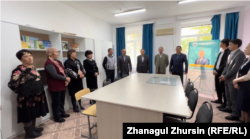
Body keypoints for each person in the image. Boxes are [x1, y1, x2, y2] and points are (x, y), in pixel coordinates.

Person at [8, 50, 49, 138]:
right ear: (20, 59)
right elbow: (12, 84)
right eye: (26, 56)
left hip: (36, 95)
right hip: (26, 98)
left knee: (33, 113)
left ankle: (33, 129)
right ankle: (29, 134)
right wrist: (23, 92)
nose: (30, 57)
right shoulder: (19, 69)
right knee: (27, 115)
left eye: (30, 55)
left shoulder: (32, 67)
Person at [219, 39, 245, 120]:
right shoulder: (231, 53)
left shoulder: (240, 54)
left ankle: (235, 114)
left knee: (234, 97)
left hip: (233, 79)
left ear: (236, 45)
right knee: (228, 95)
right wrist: (223, 75)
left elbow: (235, 68)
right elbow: (226, 66)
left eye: (230, 44)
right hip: (227, 78)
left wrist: (225, 76)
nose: (229, 46)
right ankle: (228, 107)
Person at [44, 47, 70, 123]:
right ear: (50, 53)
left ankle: (62, 113)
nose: (57, 53)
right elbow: (54, 75)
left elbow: (64, 71)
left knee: (62, 100)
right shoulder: (49, 63)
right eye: (56, 52)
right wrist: (66, 79)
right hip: (55, 85)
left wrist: (67, 78)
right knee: (56, 102)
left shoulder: (58, 61)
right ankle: (57, 117)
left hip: (62, 84)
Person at [233, 43, 250, 123]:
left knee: (246, 106)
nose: (244, 49)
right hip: (242, 85)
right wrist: (236, 81)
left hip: (247, 87)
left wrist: (236, 80)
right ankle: (242, 119)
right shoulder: (246, 59)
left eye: (247, 48)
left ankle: (246, 120)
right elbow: (239, 71)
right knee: (241, 103)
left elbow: (248, 76)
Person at [211, 39, 230, 109]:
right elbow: (217, 62)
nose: (219, 44)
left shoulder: (228, 52)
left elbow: (225, 64)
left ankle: (225, 104)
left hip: (222, 73)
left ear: (224, 44)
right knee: (217, 87)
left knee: (223, 88)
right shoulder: (221, 52)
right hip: (217, 72)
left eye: (221, 43)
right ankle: (219, 100)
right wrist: (214, 69)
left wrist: (218, 71)